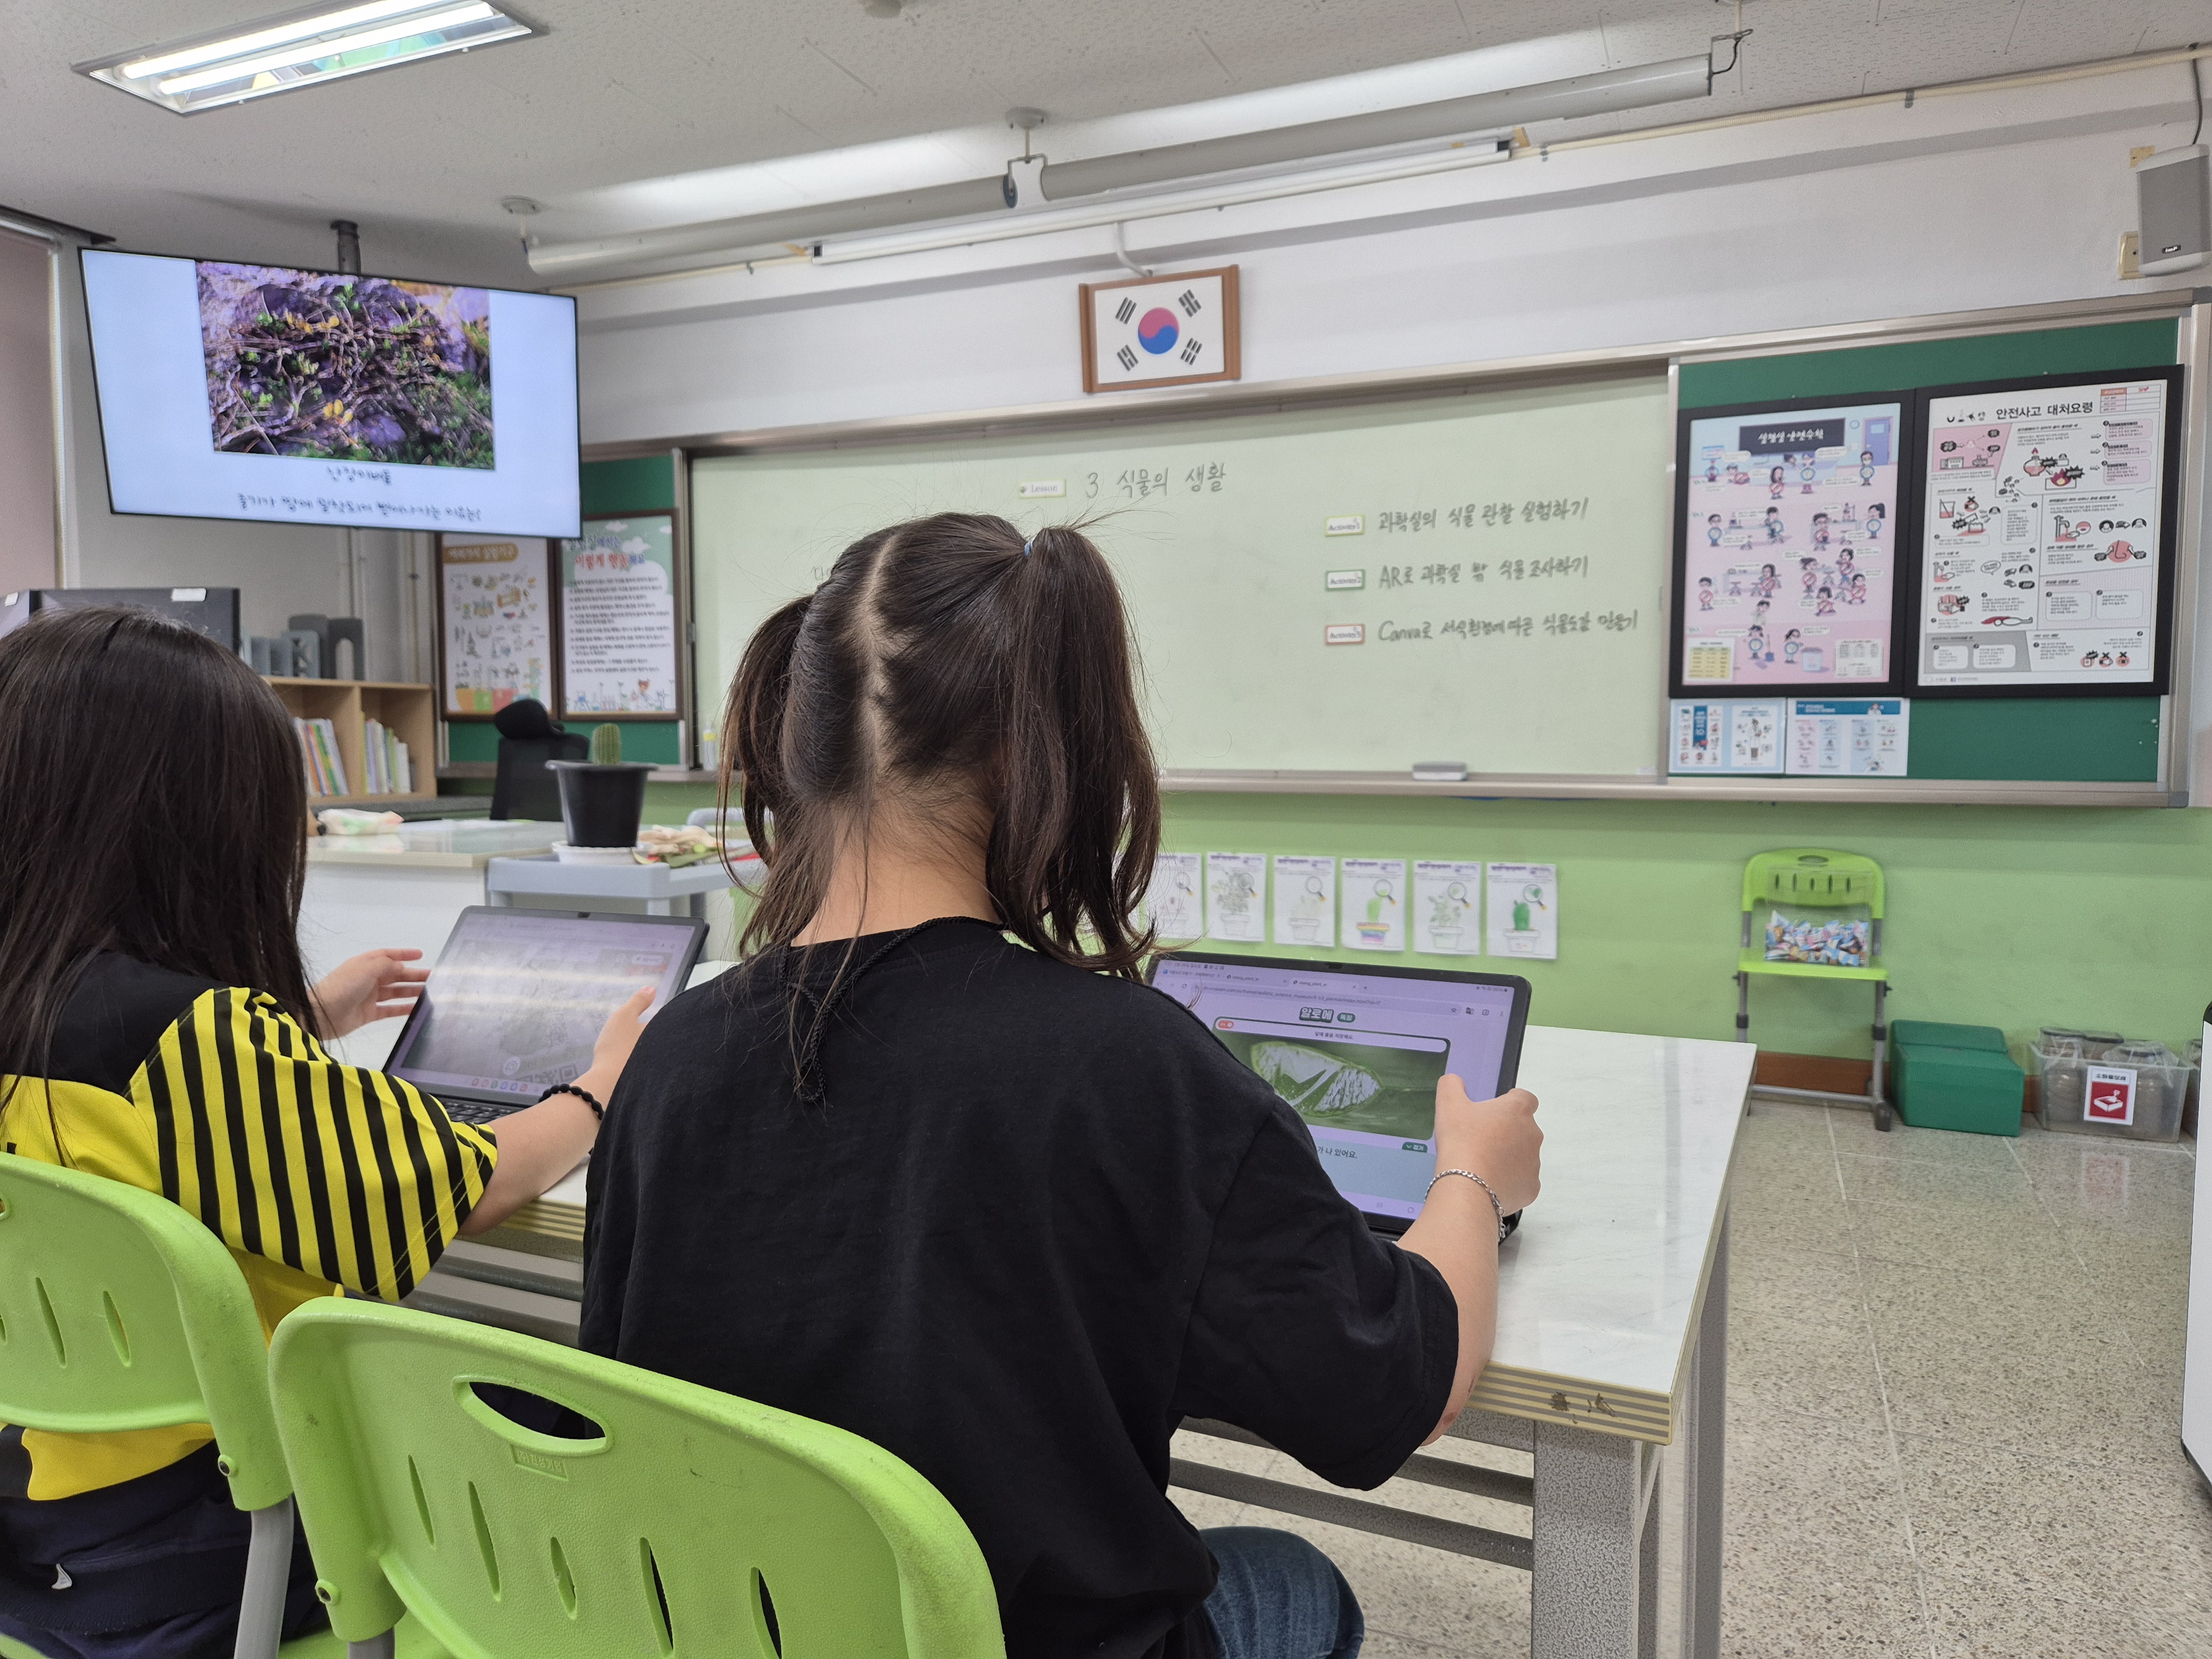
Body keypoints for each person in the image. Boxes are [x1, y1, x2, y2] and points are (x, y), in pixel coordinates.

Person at [581, 514, 1543, 1659]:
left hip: (740, 1634)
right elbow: (1396, 1389)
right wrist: (1472, 1176)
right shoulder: (1132, 1069)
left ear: (798, 740)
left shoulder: (671, 1056)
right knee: (1292, 1579)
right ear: (1056, 752)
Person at [0, 607, 655, 1659]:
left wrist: (304, 1019)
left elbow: (118, 1085)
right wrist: (601, 1085)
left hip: (44, 1534)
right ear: (199, 826)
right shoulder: (205, 1041)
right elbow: (468, 1184)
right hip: (219, 1553)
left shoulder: (61, 1015)